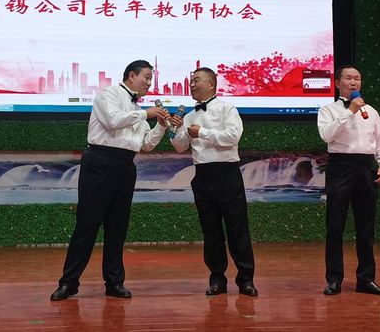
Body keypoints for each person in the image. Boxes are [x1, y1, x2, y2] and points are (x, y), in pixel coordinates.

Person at [50, 60, 169, 301]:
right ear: (132, 75)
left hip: (126, 165)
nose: (149, 83)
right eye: (146, 77)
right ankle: (68, 282)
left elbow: (146, 144)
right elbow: (113, 121)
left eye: (151, 78)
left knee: (117, 227)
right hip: (101, 161)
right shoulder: (109, 94)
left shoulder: (138, 110)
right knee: (87, 224)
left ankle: (114, 282)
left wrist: (160, 126)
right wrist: (146, 114)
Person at [170, 67, 258, 297]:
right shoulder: (189, 116)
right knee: (211, 232)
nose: (192, 84)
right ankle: (217, 279)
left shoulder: (227, 108)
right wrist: (176, 129)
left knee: (238, 229)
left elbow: (233, 137)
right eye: (191, 81)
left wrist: (203, 133)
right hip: (203, 175)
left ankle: (246, 280)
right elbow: (180, 146)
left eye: (196, 80)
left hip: (227, 174)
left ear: (211, 84)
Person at [317, 65, 380, 296]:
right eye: (348, 78)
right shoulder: (328, 110)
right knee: (335, 226)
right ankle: (334, 279)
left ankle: (366, 279)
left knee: (366, 227)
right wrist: (350, 111)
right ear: (337, 83)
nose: (353, 82)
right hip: (340, 167)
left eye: (357, 78)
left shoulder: (372, 112)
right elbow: (327, 135)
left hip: (365, 168)